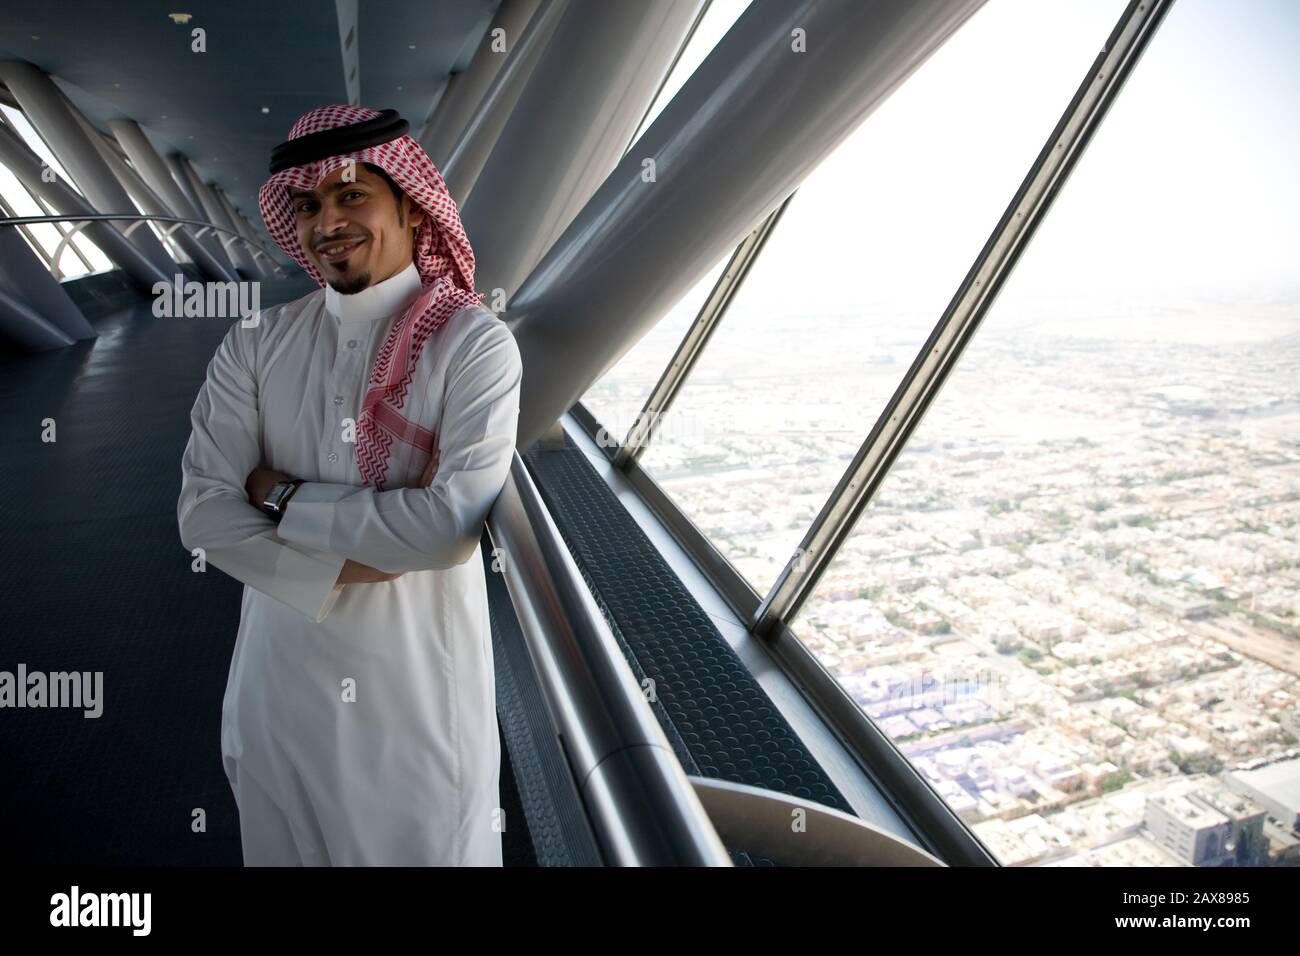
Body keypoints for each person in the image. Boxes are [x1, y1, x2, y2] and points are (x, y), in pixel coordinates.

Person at [177, 104, 522, 866]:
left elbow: (444, 531)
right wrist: (352, 561)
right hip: (271, 693)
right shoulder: (256, 342)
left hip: (412, 708)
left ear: (408, 200)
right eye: (307, 206)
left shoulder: (474, 344)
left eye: (350, 195)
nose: (327, 221)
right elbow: (202, 513)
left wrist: (279, 498)